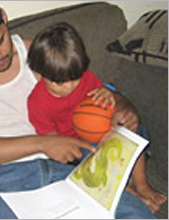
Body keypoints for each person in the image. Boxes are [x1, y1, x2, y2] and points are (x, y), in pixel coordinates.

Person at [0, 1, 155, 219]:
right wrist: (43, 143)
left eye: (0, 42)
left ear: (4, 17)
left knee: (137, 215)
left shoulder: (38, 51)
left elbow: (87, 88)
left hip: (68, 166)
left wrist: (123, 106)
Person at [27, 22, 167, 213]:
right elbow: (53, 142)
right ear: (38, 73)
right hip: (77, 145)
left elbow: (102, 94)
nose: (69, 87)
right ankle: (132, 194)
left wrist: (106, 94)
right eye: (59, 82)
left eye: (74, 78)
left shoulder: (86, 77)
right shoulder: (37, 103)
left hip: (103, 129)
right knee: (94, 169)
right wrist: (84, 148)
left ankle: (142, 185)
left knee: (131, 130)